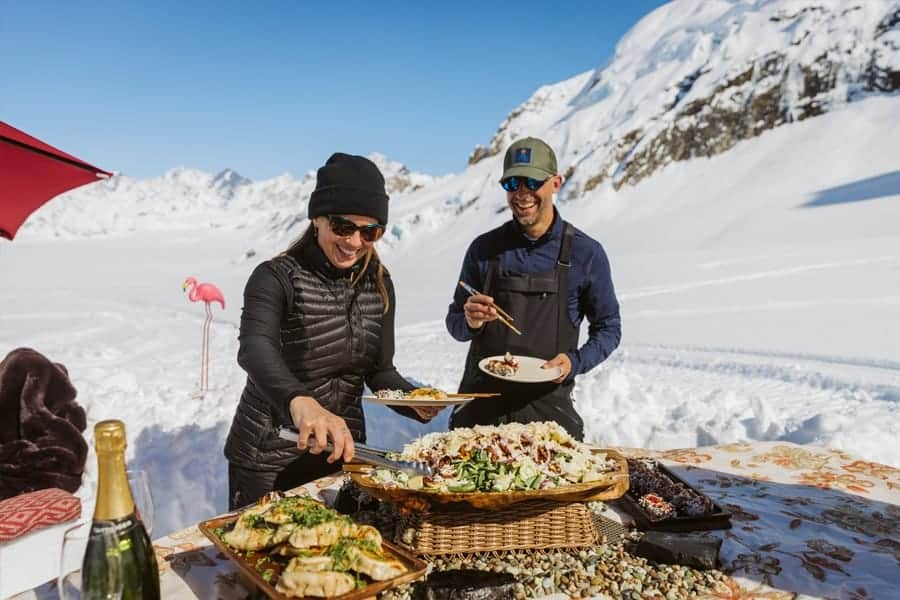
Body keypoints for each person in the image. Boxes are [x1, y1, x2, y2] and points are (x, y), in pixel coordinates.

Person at [225, 153, 439, 510]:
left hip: (340, 454)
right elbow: (254, 348)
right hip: (269, 457)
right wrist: (302, 401)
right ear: (317, 219)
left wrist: (413, 400)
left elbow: (380, 370)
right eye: (343, 227)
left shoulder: (380, 284)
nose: (354, 242)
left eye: (370, 231)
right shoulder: (275, 276)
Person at [445, 137, 621, 440]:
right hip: (480, 409)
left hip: (548, 412)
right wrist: (470, 321)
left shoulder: (586, 254)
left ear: (556, 183)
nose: (522, 193)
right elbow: (455, 325)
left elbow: (609, 329)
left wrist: (574, 362)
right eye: (512, 183)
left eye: (532, 181)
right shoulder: (484, 249)